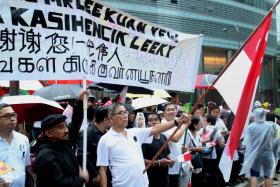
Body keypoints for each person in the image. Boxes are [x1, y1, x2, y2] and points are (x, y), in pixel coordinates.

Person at [96, 103, 191, 187]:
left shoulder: (134, 132)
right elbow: (103, 170)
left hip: (143, 183)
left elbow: (155, 129)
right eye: (120, 113)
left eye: (125, 112)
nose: (125, 115)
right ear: (110, 118)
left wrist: (177, 121)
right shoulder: (105, 140)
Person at [34, 114, 89, 187]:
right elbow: (59, 184)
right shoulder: (46, 156)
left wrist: (79, 104)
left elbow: (74, 127)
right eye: (61, 127)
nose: (66, 130)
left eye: (66, 126)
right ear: (49, 133)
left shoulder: (64, 145)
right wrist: (82, 178)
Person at [240, 108, 276, 187]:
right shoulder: (270, 126)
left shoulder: (251, 127)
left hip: (255, 154)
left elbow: (245, 142)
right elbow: (273, 139)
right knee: (268, 175)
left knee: (254, 174)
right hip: (268, 153)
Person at [77, 106, 112, 187]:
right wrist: (95, 174)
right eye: (110, 118)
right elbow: (81, 155)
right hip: (95, 178)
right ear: (105, 120)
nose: (112, 120)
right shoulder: (88, 133)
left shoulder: (105, 133)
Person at [0, 103, 31, 187]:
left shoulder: (23, 139)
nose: (12, 118)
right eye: (7, 116)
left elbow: (26, 166)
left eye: (14, 115)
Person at [142, 113, 174, 187]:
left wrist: (170, 161)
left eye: (156, 120)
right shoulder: (144, 140)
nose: (153, 122)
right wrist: (158, 163)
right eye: (150, 120)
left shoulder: (163, 137)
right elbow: (141, 160)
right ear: (147, 124)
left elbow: (166, 154)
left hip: (164, 177)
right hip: (150, 179)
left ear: (160, 122)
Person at [162, 103, 189, 187]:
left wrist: (188, 162)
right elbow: (175, 139)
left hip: (180, 162)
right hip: (169, 164)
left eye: (173, 109)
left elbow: (183, 145)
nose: (171, 111)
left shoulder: (178, 124)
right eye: (168, 110)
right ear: (163, 113)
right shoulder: (163, 125)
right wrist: (185, 125)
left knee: (181, 182)